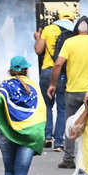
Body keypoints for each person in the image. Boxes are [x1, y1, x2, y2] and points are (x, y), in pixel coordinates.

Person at [50, 16, 88, 169]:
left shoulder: (69, 42)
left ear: (76, 29)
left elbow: (58, 64)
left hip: (72, 91)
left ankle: (69, 158)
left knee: (72, 123)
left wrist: (53, 84)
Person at [34, 10, 75, 151]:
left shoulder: (49, 29)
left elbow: (38, 50)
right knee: (62, 107)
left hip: (46, 71)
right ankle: (58, 142)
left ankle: (47, 136)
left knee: (47, 105)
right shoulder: (73, 33)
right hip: (63, 73)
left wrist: (38, 37)